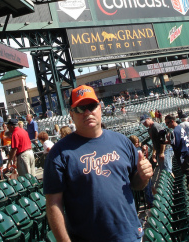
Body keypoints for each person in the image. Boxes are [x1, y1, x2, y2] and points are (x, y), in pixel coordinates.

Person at [44, 84, 152, 242]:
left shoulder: (121, 141)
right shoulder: (59, 153)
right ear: (72, 115)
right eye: (80, 109)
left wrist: (144, 176)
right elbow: (54, 204)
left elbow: (135, 184)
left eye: (91, 106)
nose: (87, 112)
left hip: (129, 235)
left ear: (100, 108)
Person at [129, 135, 154, 208]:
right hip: (138, 172)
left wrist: (143, 151)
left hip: (144, 170)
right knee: (147, 188)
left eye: (138, 142)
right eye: (136, 142)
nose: (137, 143)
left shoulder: (138, 148)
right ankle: (150, 203)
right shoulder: (132, 151)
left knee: (149, 186)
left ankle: (151, 200)